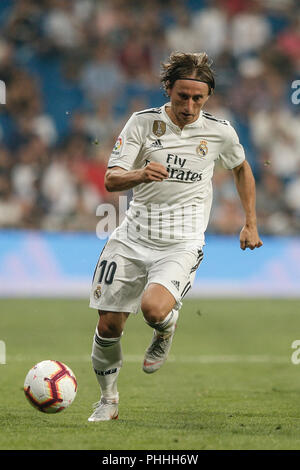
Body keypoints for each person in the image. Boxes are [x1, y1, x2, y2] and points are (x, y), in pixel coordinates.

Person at [87, 52, 263, 422]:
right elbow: (111, 179)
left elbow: (242, 168)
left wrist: (250, 221)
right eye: (182, 96)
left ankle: (165, 329)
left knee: (153, 309)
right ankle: (108, 400)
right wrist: (140, 174)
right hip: (132, 237)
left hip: (181, 242)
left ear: (208, 96)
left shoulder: (220, 132)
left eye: (198, 98)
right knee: (109, 326)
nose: (189, 105)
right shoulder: (142, 123)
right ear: (168, 89)